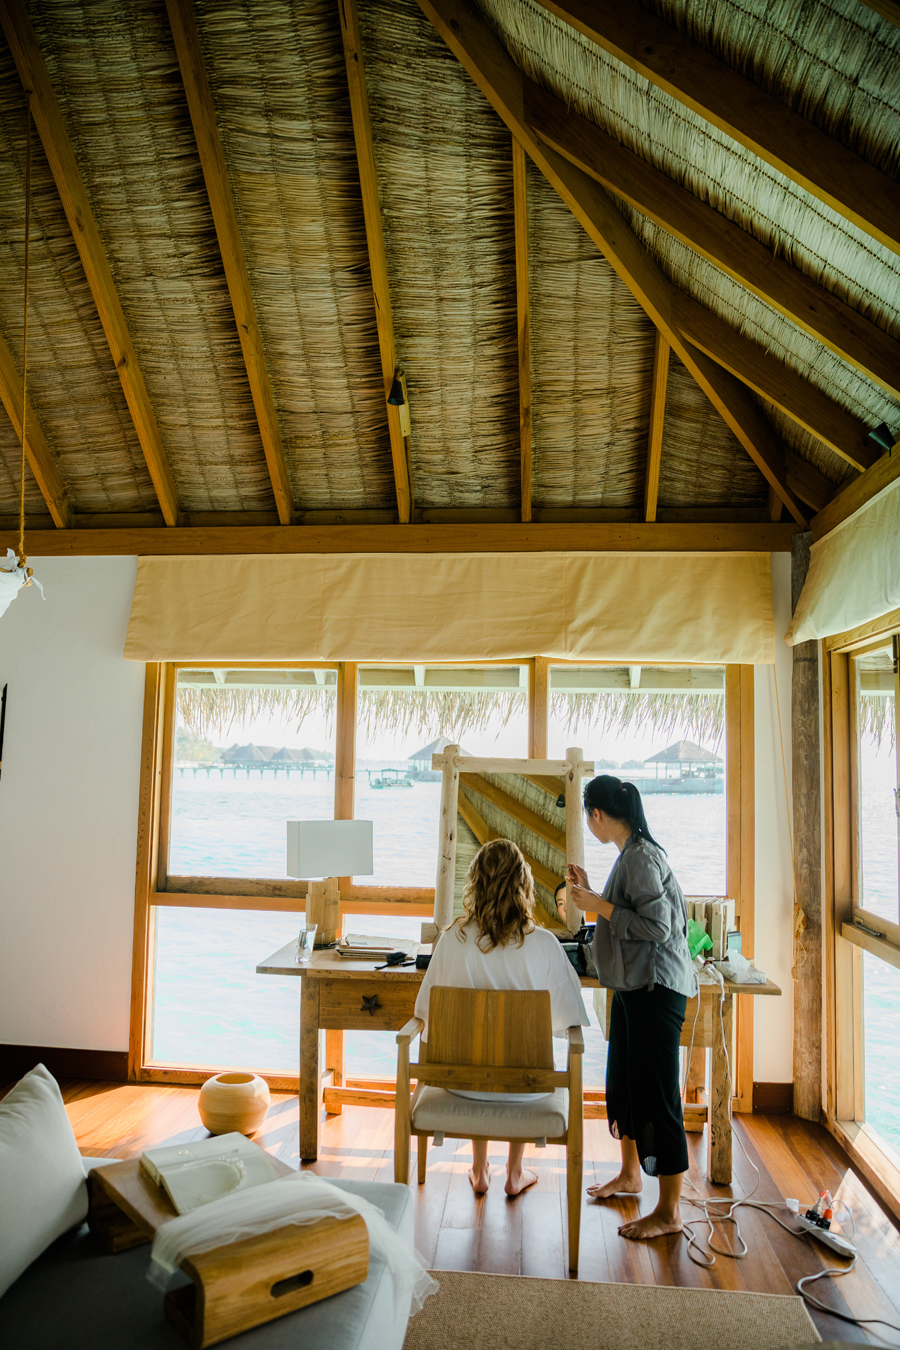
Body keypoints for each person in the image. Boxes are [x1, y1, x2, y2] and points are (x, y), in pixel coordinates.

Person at [416, 838, 588, 1198]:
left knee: (479, 1050)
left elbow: (427, 1015)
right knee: (514, 1053)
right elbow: (567, 1019)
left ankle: (479, 1169)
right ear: (523, 884)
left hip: (460, 1084)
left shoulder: (451, 940)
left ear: (475, 883)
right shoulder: (542, 943)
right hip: (526, 1089)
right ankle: (514, 1171)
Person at [567, 774, 695, 1242]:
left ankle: (670, 1212)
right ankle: (630, 1176)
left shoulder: (640, 856)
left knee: (659, 1096)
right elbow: (628, 912)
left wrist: (597, 904)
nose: (589, 823)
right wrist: (593, 896)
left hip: (655, 991)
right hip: (633, 988)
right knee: (624, 1083)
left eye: (587, 815)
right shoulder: (631, 854)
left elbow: (657, 928)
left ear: (597, 814)